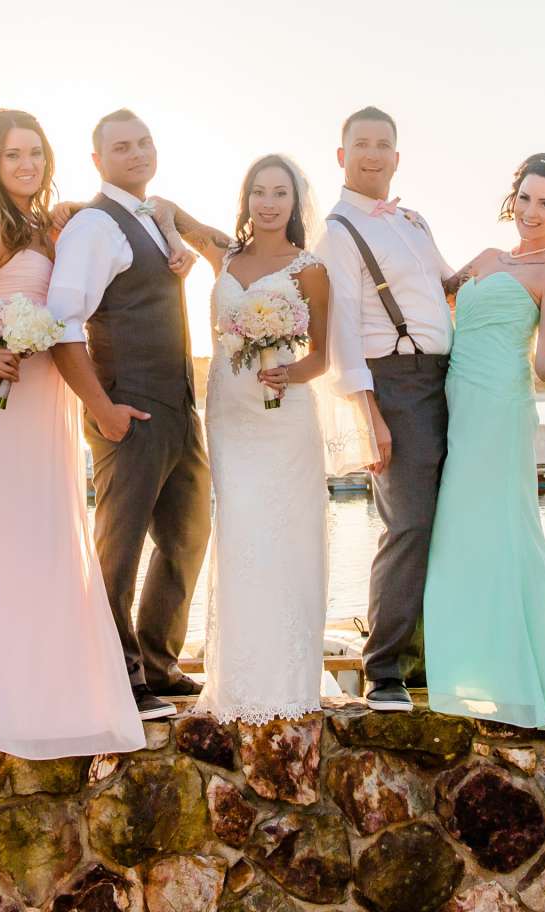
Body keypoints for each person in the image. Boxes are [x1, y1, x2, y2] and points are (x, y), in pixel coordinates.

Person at [0, 110, 148, 754]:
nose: (28, 166)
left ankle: (46, 686)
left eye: (37, 155)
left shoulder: (57, 229)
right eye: (15, 155)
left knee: (41, 537)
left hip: (45, 405)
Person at [46, 109, 233, 719]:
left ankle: (158, 658)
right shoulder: (93, 227)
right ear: (97, 161)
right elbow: (62, 322)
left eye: (144, 142)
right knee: (119, 548)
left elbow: (200, 233)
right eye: (121, 147)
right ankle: (114, 672)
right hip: (127, 407)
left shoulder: (155, 217)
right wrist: (102, 409)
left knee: (187, 534)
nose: (136, 153)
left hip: (178, 405)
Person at [421, 154, 545, 730]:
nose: (531, 211)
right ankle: (461, 665)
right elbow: (434, 300)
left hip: (501, 404)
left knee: (501, 525)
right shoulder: (483, 258)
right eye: (525, 198)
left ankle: (517, 673)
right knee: (458, 528)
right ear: (512, 197)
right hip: (456, 398)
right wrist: (411, 232)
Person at [198, 154, 373, 723]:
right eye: (258, 192)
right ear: (246, 199)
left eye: (279, 193)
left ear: (296, 203)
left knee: (284, 535)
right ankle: (237, 676)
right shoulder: (226, 258)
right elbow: (220, 336)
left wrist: (289, 373)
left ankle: (285, 676)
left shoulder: (310, 269)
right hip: (230, 413)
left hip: (283, 417)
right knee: (239, 532)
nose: (268, 203)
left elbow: (322, 355)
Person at [321, 107, 456, 711]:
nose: (373, 154)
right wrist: (368, 416)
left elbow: (448, 286)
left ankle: (435, 656)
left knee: (450, 523)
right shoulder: (338, 233)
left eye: (384, 145)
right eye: (361, 145)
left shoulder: (413, 220)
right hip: (394, 384)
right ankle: (386, 670)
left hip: (450, 380)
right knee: (407, 525)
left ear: (397, 156)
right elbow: (342, 334)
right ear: (342, 155)